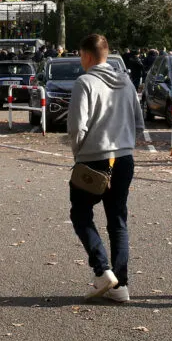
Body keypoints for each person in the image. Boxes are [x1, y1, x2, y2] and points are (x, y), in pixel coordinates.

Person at [65, 33, 142, 304]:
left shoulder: (85, 82)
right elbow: (139, 121)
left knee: (80, 213)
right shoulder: (126, 81)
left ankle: (102, 269)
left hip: (93, 157)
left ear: (86, 55)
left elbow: (77, 126)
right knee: (117, 219)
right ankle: (121, 284)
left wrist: (79, 153)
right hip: (124, 157)